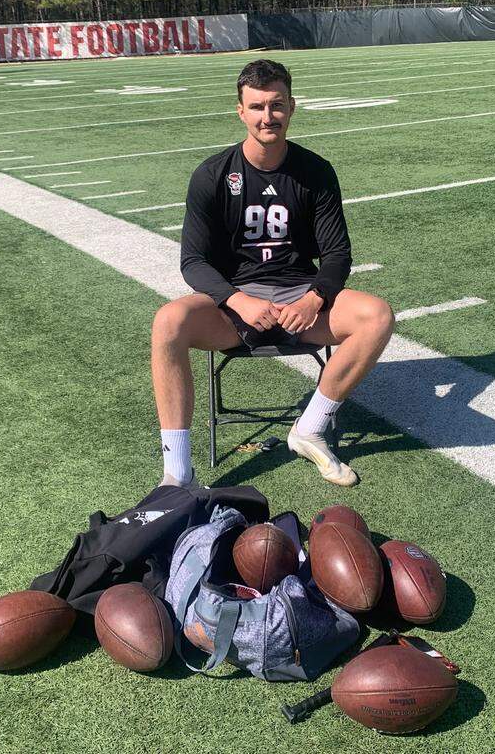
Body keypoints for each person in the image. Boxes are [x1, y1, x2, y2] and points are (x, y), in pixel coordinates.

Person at [151, 59, 394, 488]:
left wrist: (313, 298)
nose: (269, 116)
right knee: (168, 322)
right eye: (258, 106)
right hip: (236, 303)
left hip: (300, 297)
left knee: (377, 316)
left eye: (277, 105)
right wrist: (237, 300)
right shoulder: (212, 174)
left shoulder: (315, 171)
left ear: (292, 107)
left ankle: (310, 429)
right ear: (240, 111)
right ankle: (177, 471)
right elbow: (193, 261)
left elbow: (337, 254)